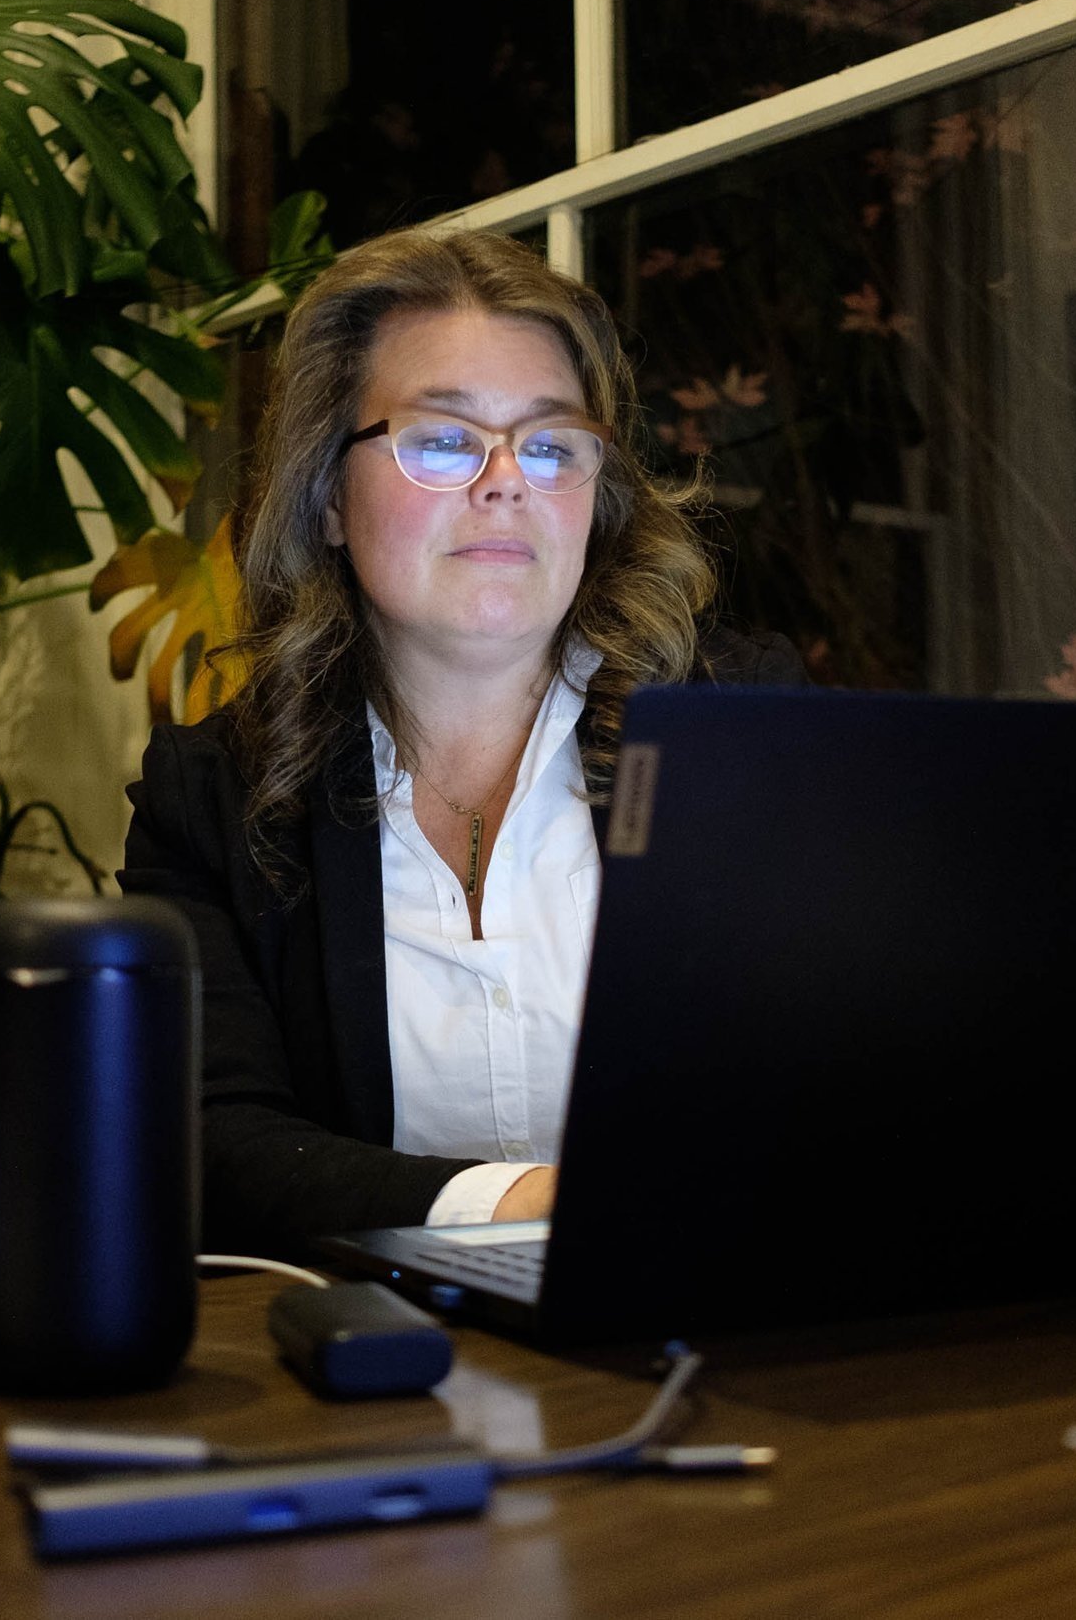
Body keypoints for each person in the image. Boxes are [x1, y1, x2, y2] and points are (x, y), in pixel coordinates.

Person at [120, 227, 801, 1253]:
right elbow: (214, 1145)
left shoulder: (742, 731)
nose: (505, 480)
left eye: (550, 444)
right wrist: (520, 1205)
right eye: (442, 438)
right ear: (328, 497)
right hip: (370, 1340)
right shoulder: (210, 794)